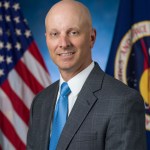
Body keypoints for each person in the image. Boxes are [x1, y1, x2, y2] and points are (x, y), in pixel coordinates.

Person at [27, 0, 147, 150]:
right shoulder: (40, 102)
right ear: (47, 39)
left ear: (91, 38)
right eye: (55, 34)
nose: (63, 43)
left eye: (73, 32)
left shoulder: (123, 102)